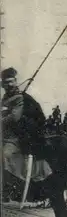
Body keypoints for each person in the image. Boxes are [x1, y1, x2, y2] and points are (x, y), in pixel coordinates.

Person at [2, 67, 52, 200]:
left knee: (6, 154)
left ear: (16, 81)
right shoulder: (6, 98)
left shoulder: (20, 98)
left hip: (16, 137)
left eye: (11, 81)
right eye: (5, 82)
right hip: (5, 135)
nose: (9, 85)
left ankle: (11, 186)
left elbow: (14, 117)